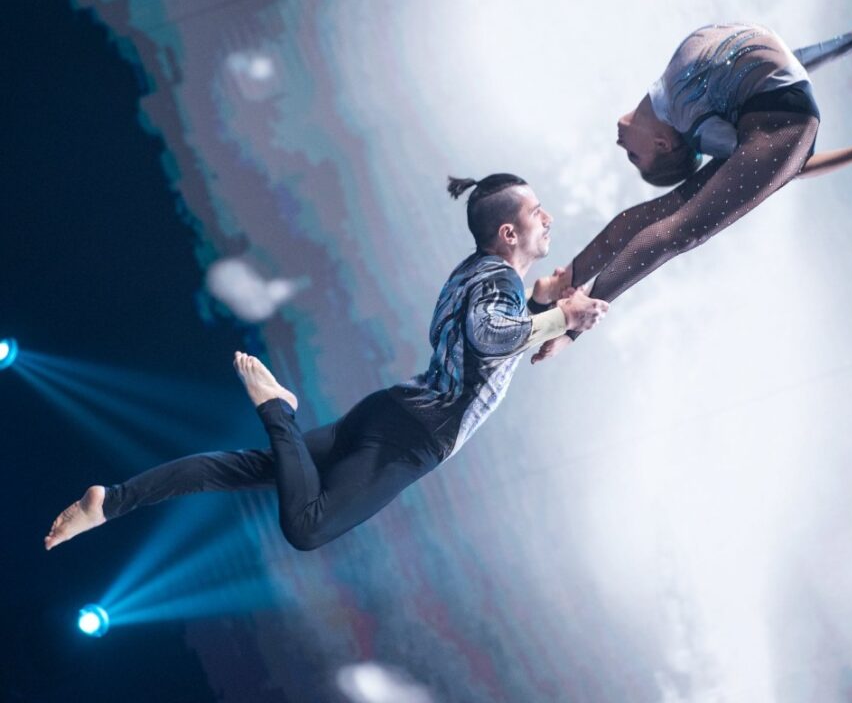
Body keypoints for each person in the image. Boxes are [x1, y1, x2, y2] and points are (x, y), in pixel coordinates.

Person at [44, 174, 609, 552]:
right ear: (509, 232)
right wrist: (561, 315)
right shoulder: (499, 282)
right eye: (537, 212)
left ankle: (111, 501)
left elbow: (477, 349)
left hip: (388, 413)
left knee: (246, 468)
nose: (548, 218)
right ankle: (276, 410)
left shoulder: (477, 272)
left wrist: (540, 307)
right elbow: (487, 338)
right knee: (306, 528)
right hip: (413, 437)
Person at [530, 2, 852, 362]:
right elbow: (787, 70)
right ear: (664, 143)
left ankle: (574, 315)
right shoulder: (683, 92)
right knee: (665, 213)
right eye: (633, 155)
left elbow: (787, 163)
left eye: (634, 157)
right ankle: (566, 283)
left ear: (665, 143)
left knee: (680, 228)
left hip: (785, 120)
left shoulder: (689, 113)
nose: (621, 146)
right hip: (780, 111)